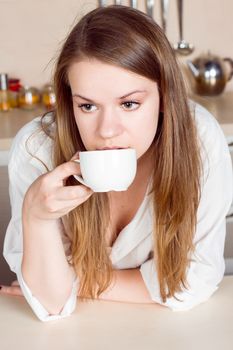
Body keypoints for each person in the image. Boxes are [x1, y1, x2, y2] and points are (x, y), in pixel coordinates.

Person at [1, 5, 232, 322]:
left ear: (164, 95)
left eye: (129, 103)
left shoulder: (199, 138)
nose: (107, 130)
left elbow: (194, 281)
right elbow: (51, 304)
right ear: (70, 101)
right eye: (88, 106)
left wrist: (76, 281)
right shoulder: (37, 149)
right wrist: (36, 217)